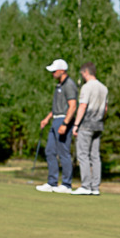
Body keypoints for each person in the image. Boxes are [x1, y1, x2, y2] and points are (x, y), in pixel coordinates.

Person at [36, 59, 78, 194]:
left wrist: (65, 123)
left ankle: (66, 184)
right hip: (55, 120)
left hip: (63, 120)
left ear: (62, 70)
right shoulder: (58, 85)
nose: (53, 73)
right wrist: (47, 119)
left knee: (63, 152)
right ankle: (52, 182)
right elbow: (56, 108)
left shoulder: (69, 85)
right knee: (50, 151)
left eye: (54, 71)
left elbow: (73, 106)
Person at [72, 62, 109, 195]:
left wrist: (76, 125)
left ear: (86, 72)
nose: (82, 76)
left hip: (86, 124)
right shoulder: (104, 88)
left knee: (83, 155)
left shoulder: (87, 87)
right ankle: (95, 187)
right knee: (95, 156)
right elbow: (105, 109)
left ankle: (86, 186)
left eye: (82, 74)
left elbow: (82, 106)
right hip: (98, 125)